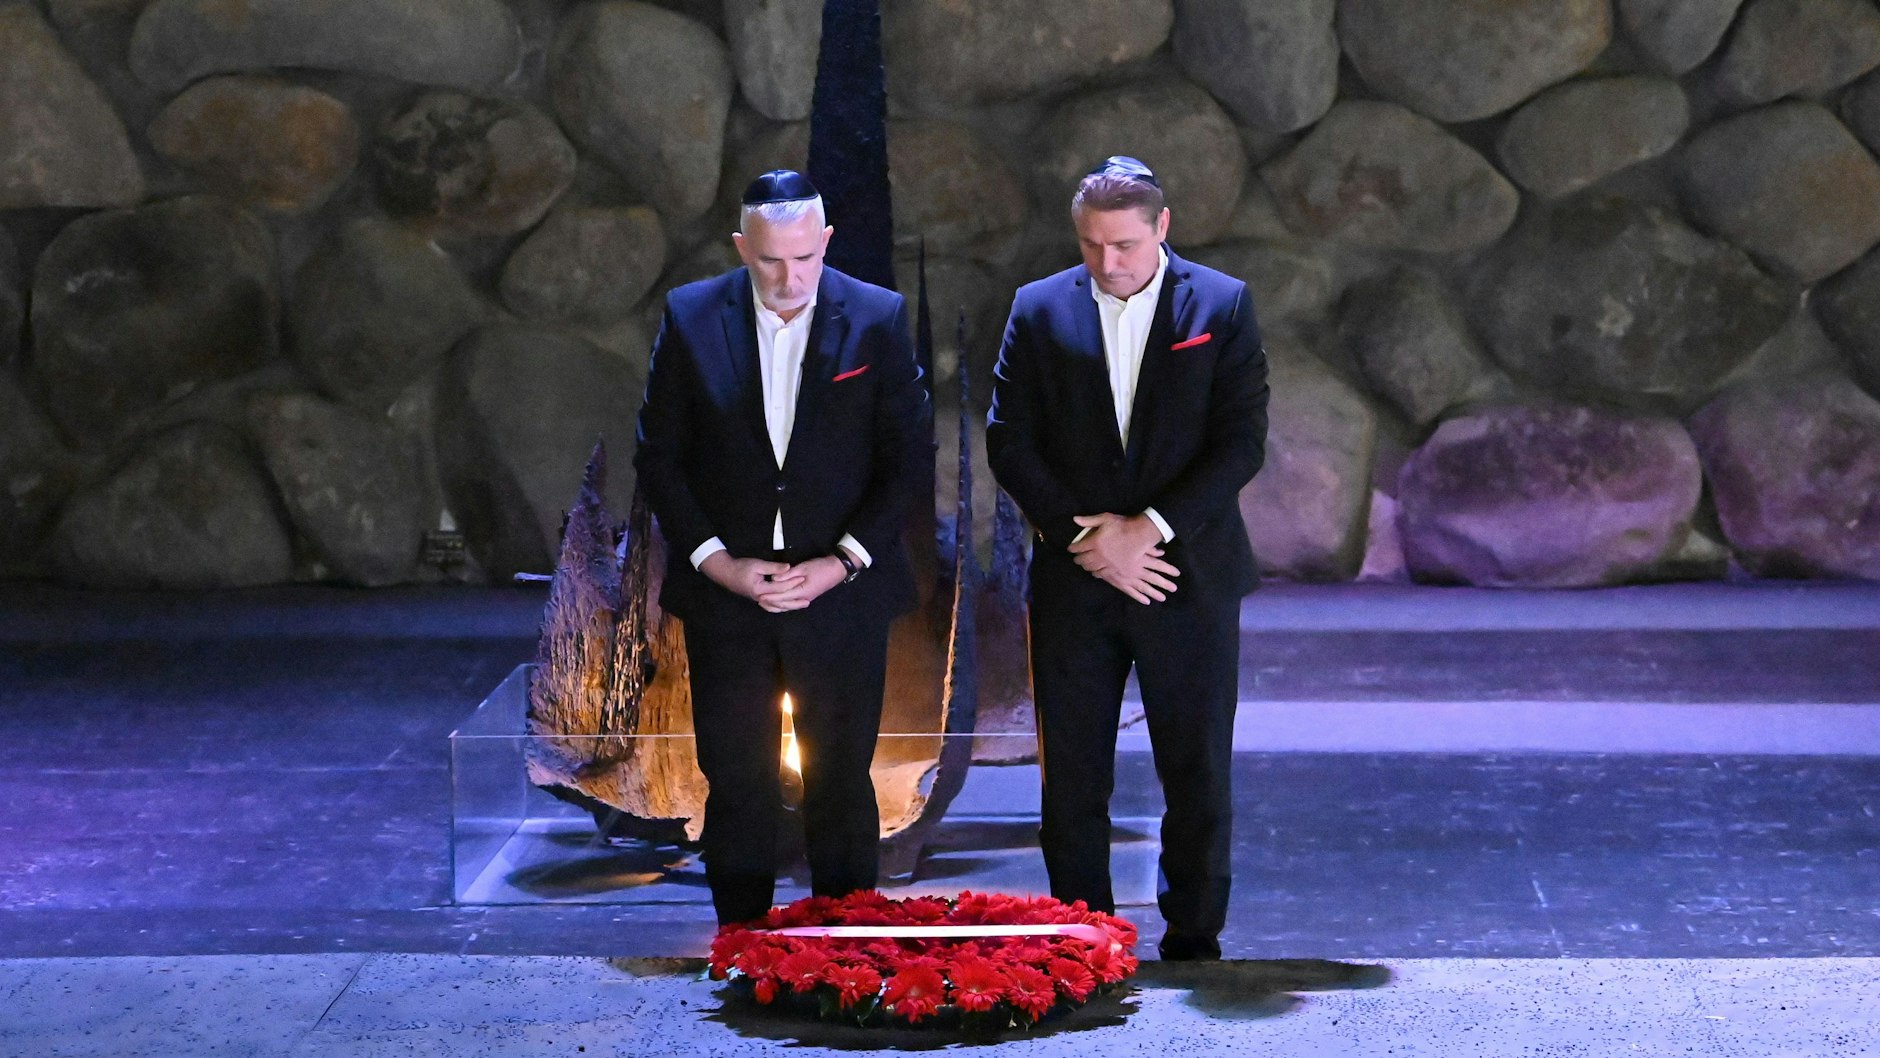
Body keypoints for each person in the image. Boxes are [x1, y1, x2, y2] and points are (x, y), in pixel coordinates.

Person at [986, 156, 1269, 960]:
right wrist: (1089, 541)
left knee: (1197, 769)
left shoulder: (1222, 303)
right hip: (1078, 581)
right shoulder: (1038, 309)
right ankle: (1083, 937)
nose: (1108, 263)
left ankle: (1194, 936)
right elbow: (1009, 440)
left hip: (1189, 573)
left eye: (1124, 246)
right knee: (1072, 777)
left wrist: (1147, 528)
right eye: (1091, 245)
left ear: (1162, 229)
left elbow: (1240, 441)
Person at [634, 170, 928, 926]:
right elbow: (659, 455)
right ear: (742, 248)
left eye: (805, 258)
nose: (790, 276)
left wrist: (841, 562)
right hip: (728, 596)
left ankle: (845, 948)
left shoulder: (876, 317)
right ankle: (739, 944)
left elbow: (908, 459)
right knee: (736, 781)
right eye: (770, 260)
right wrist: (719, 563)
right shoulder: (691, 316)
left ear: (825, 242)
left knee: (840, 777)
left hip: (842, 593)